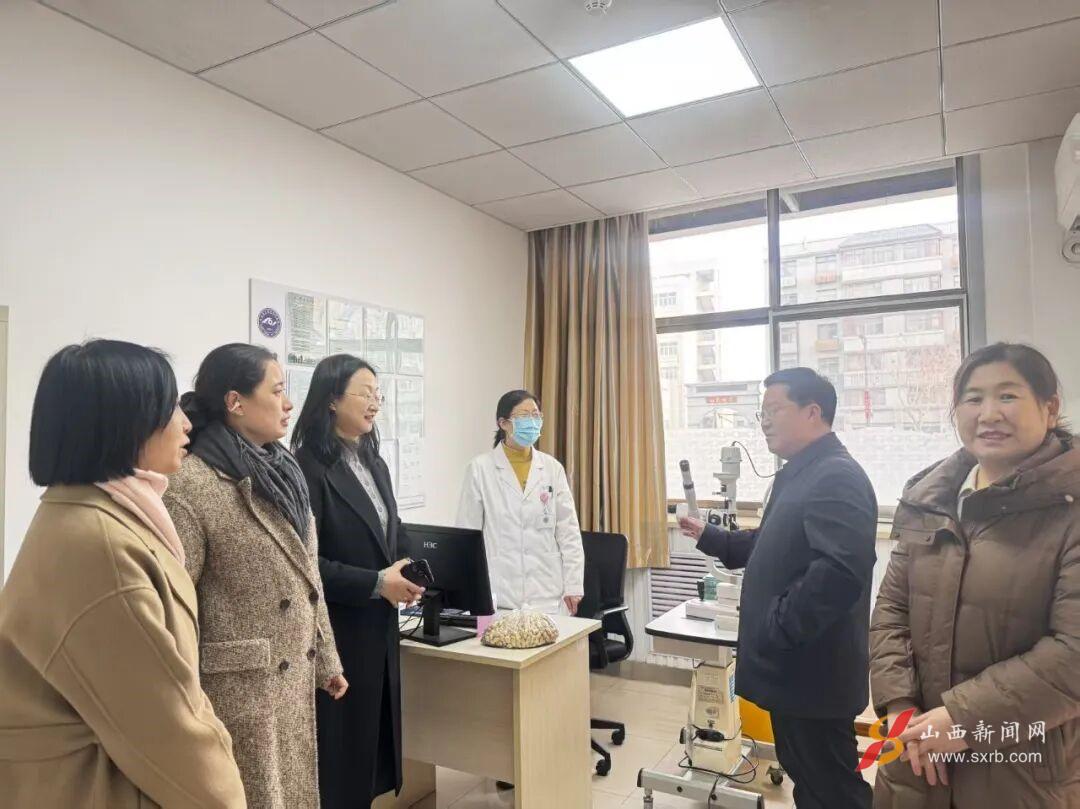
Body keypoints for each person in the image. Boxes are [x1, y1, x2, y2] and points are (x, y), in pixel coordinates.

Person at [0, 340, 246, 808]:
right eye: (170, 407)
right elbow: (164, 725)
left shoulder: (90, 514)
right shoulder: (100, 546)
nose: (186, 423)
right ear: (124, 421)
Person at [870, 343, 1080, 808]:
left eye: (1007, 396)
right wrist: (901, 707)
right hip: (915, 755)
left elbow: (1074, 652)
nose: (988, 414)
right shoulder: (930, 500)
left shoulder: (1071, 510)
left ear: (1049, 409)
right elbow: (891, 611)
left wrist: (961, 719)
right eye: (972, 398)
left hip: (1021, 770)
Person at [679, 368, 877, 809]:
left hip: (812, 674)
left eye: (774, 410)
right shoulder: (800, 473)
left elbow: (840, 573)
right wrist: (710, 536)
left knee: (832, 790)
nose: (764, 421)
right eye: (761, 412)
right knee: (810, 780)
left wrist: (776, 626)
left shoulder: (835, 475)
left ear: (812, 412)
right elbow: (768, 543)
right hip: (796, 670)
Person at [164, 343, 346, 809]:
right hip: (236, 693)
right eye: (278, 391)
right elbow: (174, 609)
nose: (289, 404)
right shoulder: (192, 484)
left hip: (290, 678)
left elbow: (307, 579)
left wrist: (326, 656)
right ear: (235, 402)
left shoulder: (285, 472)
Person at [292, 355, 421, 809]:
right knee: (341, 758)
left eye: (377, 394)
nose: (375, 403)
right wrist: (376, 583)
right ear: (331, 399)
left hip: (378, 629)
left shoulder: (372, 460)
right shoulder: (307, 468)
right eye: (365, 393)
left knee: (369, 751)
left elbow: (393, 527)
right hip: (339, 632)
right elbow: (304, 564)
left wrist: (409, 566)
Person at [458, 390, 584, 616]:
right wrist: (469, 591)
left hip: (548, 594)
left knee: (552, 640)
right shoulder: (480, 469)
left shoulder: (552, 468)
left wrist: (574, 585)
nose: (532, 422)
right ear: (503, 423)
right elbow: (467, 536)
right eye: (524, 416)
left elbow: (568, 531)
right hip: (499, 595)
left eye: (536, 415)